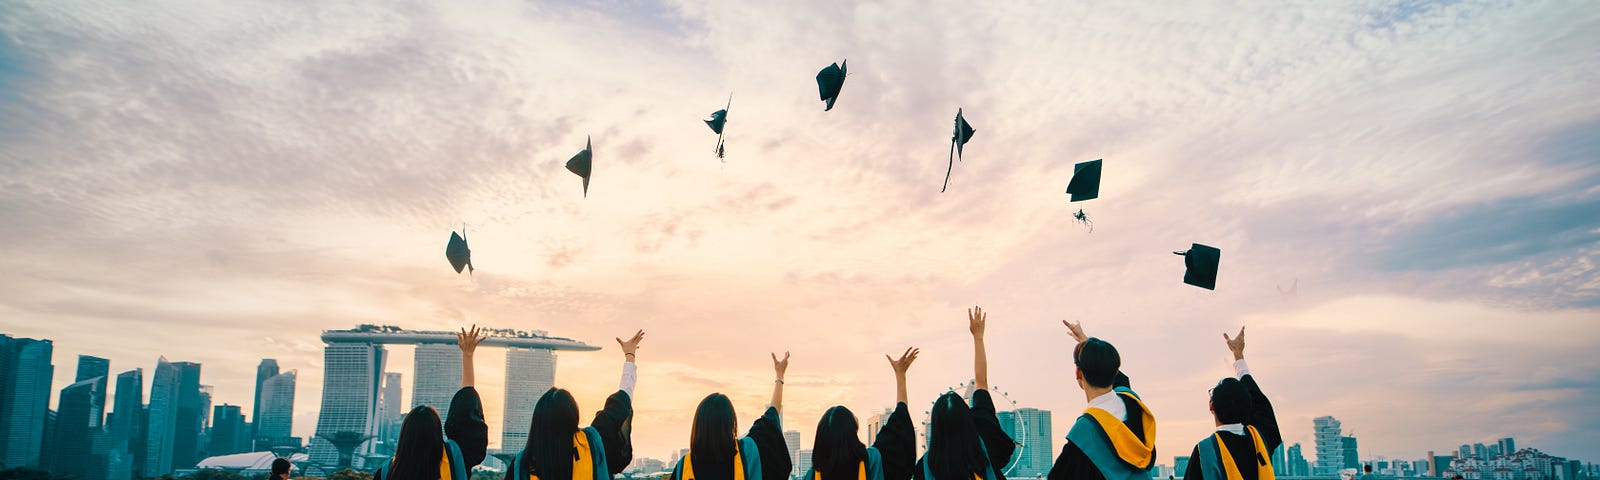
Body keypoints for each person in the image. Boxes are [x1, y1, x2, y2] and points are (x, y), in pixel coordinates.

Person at [507, 330, 645, 480]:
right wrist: (629, 356)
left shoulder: (521, 466)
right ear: (574, 415)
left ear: (538, 419)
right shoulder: (592, 444)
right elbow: (622, 399)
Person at [375, 326, 490, 480]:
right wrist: (467, 356)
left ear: (405, 435)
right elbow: (466, 411)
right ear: (437, 432)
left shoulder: (386, 473)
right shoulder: (454, 459)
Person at [913, 306, 1016, 480]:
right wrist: (978, 338)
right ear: (968, 419)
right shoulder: (985, 449)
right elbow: (981, 381)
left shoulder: (924, 468)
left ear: (936, 427)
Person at [1048, 320, 1157, 480]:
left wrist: (1085, 344)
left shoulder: (1084, 433)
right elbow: (1119, 380)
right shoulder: (1133, 403)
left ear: (1078, 373)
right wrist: (1084, 340)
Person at [670, 351, 793, 480]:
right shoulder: (747, 455)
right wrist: (780, 376)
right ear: (731, 424)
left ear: (698, 427)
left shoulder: (683, 469)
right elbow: (771, 417)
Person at [803, 347, 920, 480]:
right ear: (853, 431)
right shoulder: (872, 462)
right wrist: (900, 375)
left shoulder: (813, 475)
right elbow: (900, 425)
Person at [1183, 327, 1280, 480]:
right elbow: (1261, 405)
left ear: (1211, 406)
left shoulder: (1205, 453)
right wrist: (1238, 355)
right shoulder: (1261, 439)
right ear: (1248, 407)